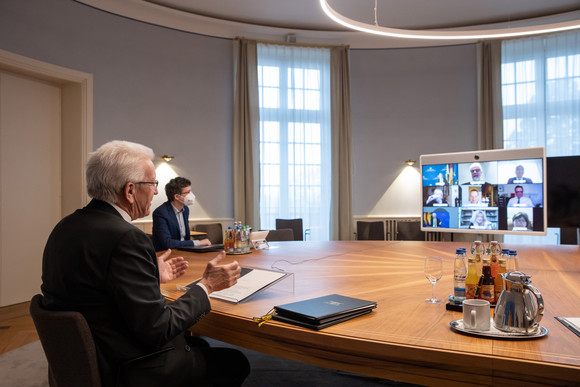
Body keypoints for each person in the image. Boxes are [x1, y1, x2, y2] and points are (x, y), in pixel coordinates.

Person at [41, 141, 250, 387]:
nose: (154, 192)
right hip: (129, 368)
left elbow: (96, 286)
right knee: (235, 361)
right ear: (130, 190)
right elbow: (157, 329)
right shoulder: (126, 237)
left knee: (199, 344)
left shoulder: (64, 226)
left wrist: (150, 274)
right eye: (152, 184)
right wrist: (207, 285)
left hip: (89, 356)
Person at [152, 177, 211, 251]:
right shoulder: (160, 213)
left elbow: (185, 238)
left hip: (184, 252)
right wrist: (197, 243)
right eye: (188, 192)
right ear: (177, 196)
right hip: (166, 255)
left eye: (191, 191)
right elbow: (167, 243)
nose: (191, 195)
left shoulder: (185, 209)